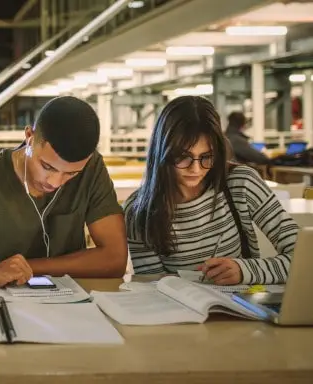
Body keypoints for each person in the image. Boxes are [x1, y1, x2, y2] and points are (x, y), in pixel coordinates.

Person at [0, 96, 128, 288]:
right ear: (29, 136)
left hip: (69, 302)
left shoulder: (92, 169)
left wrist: (28, 268)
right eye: (47, 167)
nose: (55, 182)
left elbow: (115, 259)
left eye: (71, 174)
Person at [124, 96, 297, 285]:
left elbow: (305, 257)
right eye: (183, 157)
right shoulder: (138, 211)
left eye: (207, 157)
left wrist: (245, 270)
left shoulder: (241, 183)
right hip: (179, 312)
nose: (196, 169)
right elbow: (154, 287)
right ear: (162, 153)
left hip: (244, 310)